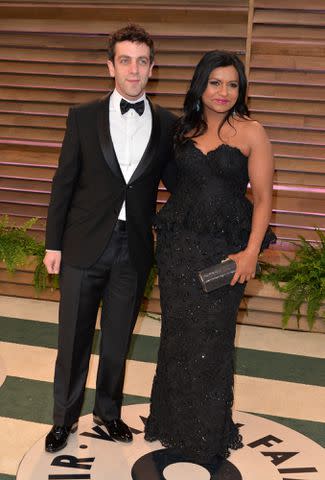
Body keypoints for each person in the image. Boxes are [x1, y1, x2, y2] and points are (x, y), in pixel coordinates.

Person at [43, 24, 177, 453]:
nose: (134, 69)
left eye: (142, 61)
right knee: (73, 340)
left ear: (152, 68)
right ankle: (63, 420)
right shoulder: (82, 116)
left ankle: (107, 413)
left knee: (118, 341)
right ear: (110, 66)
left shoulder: (168, 124)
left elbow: (179, 183)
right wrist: (52, 243)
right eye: (125, 60)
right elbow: (63, 182)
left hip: (133, 250)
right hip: (82, 245)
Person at [144, 50, 276, 463]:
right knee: (178, 338)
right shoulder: (180, 130)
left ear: (241, 90)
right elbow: (166, 182)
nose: (224, 92)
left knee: (214, 341)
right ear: (200, 84)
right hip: (178, 249)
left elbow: (264, 200)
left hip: (228, 252)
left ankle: (207, 431)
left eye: (232, 84)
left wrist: (251, 252)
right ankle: (170, 422)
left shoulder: (252, 132)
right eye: (215, 82)